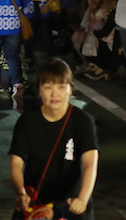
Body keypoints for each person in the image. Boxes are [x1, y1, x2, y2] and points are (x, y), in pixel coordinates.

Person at [10, 59, 98, 220]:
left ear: (70, 89)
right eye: (47, 87)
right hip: (35, 202)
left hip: (71, 203)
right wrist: (21, 193)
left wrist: (82, 200)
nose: (54, 94)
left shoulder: (82, 121)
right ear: (39, 90)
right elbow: (16, 162)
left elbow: (90, 165)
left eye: (61, 87)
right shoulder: (27, 121)